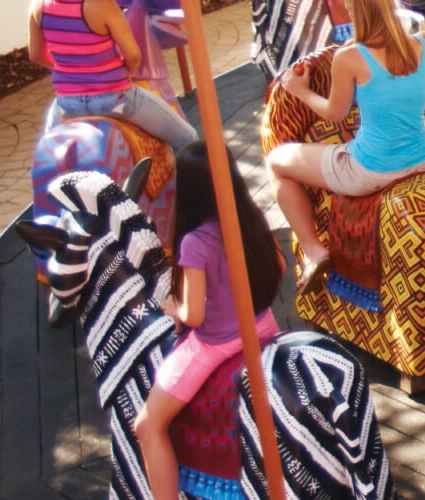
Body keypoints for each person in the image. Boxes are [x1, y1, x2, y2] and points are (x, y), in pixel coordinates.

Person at [133, 141, 285, 498]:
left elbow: (195, 315)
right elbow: (278, 266)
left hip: (216, 343)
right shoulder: (251, 217)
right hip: (263, 323)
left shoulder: (194, 243)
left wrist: (174, 307)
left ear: (188, 189)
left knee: (147, 425)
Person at [265, 0, 425, 292]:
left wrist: (300, 91)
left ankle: (313, 250)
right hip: (422, 157)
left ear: (353, 9)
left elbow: (335, 114)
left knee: (277, 162)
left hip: (372, 171)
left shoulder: (348, 58)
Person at [27, 0, 198, 149]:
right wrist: (127, 72)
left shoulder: (38, 5)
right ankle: (188, 182)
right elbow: (133, 55)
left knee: (46, 150)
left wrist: (69, 68)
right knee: (187, 138)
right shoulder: (102, 5)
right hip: (115, 99)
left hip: (67, 105)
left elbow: (35, 55)